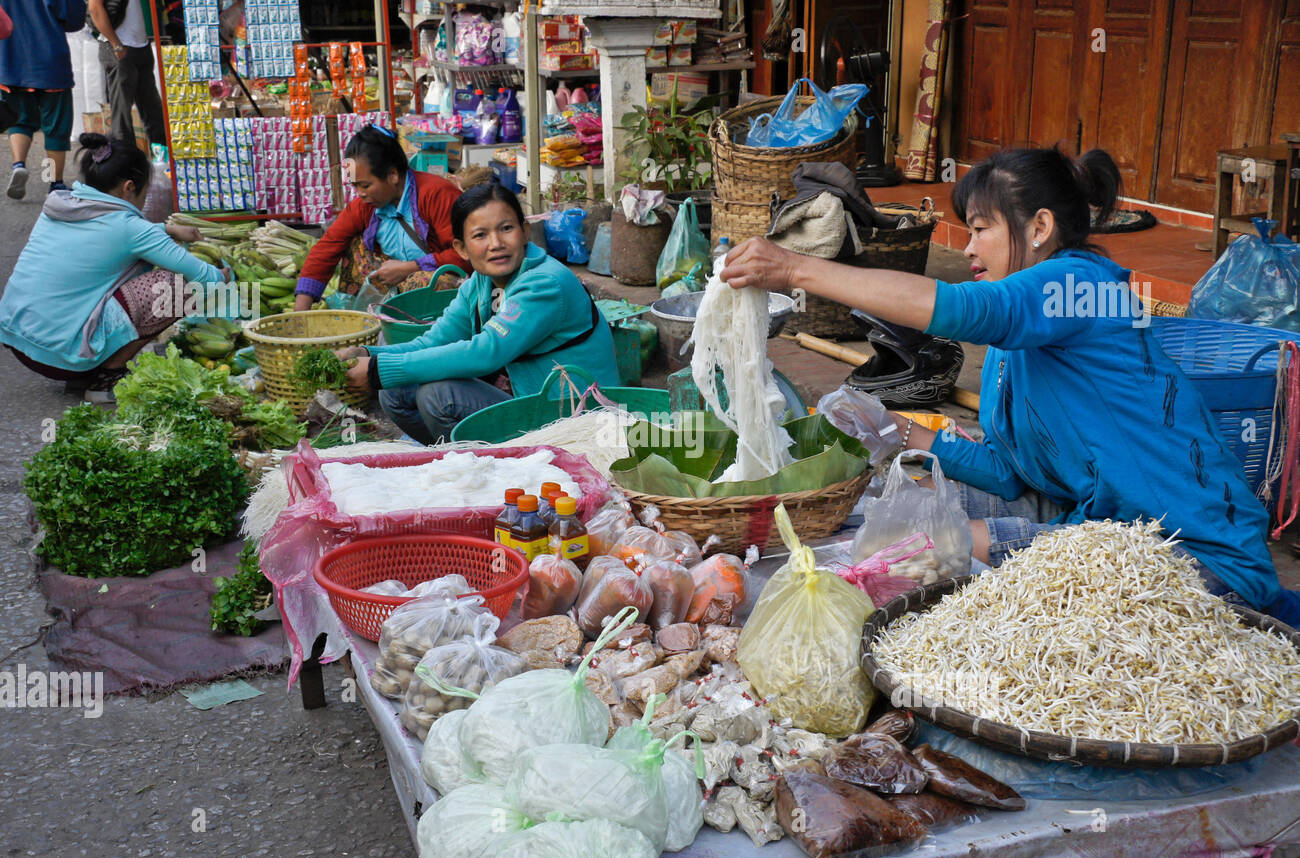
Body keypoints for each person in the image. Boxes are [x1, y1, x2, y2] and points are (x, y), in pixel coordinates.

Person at [719, 145, 1300, 627]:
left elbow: (959, 309)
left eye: (980, 229)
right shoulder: (1011, 344)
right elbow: (1007, 470)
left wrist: (795, 269)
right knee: (886, 513)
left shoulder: (1081, 286)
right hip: (1104, 529)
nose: (967, 248)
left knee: (930, 550)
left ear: (1040, 227)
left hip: (1191, 557)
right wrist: (900, 430)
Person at [337, 182, 622, 444]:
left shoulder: (545, 283)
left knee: (439, 396)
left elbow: (485, 352)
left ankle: (491, 465)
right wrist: (368, 356)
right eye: (480, 235)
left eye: (506, 229)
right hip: (527, 397)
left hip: (570, 413)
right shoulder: (481, 283)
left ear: (524, 231)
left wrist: (378, 371)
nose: (495, 243)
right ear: (461, 248)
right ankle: (451, 455)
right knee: (394, 390)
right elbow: (435, 340)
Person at [0, 132, 224, 394]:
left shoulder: (61, 206)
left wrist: (166, 229)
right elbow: (207, 279)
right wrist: (226, 275)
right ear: (129, 187)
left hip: (18, 340)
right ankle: (107, 376)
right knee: (178, 286)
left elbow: (107, 233)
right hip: (61, 357)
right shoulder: (131, 228)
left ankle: (87, 366)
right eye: (145, 191)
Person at [293, 124, 468, 311]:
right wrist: (300, 313)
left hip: (449, 279)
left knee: (422, 281)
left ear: (393, 175)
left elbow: (467, 253)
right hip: (398, 275)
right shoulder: (364, 207)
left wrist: (411, 267)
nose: (359, 193)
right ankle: (369, 318)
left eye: (365, 185)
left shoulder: (437, 194)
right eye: (355, 186)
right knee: (351, 245)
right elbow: (328, 247)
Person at [1, 0, 88, 198]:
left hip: (11, 62)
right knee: (55, 128)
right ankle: (54, 183)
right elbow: (75, 20)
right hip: (50, 64)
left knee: (19, 120)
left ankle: (18, 165)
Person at [88, 0, 165, 149]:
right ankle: (125, 160)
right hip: (119, 47)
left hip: (141, 45)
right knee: (122, 113)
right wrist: (116, 44)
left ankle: (162, 156)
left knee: (152, 109)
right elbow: (94, 8)